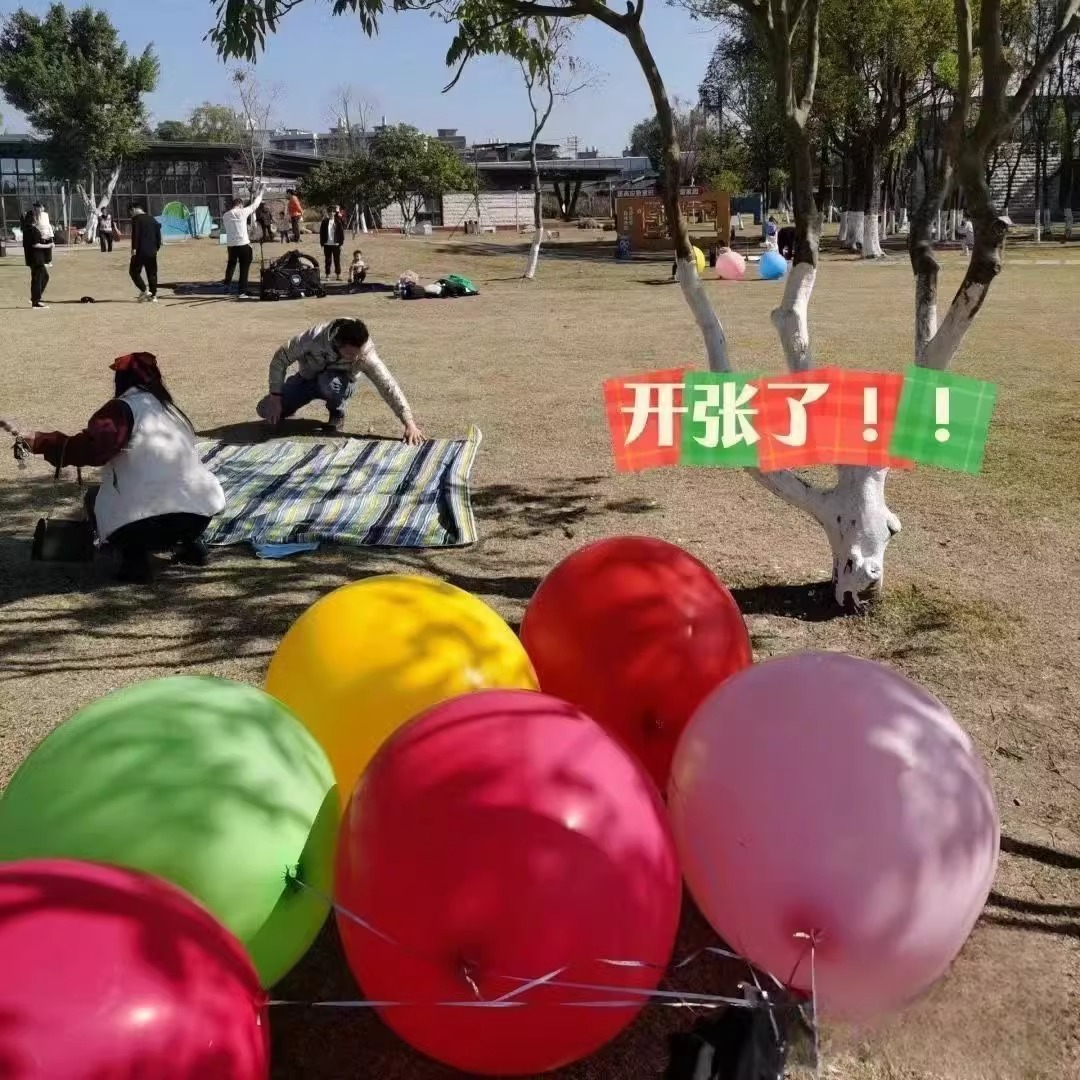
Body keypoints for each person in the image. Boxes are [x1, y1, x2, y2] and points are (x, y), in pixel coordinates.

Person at [20, 352, 225, 583]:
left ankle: (135, 561)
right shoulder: (171, 410)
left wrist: (42, 442)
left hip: (145, 523)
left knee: (96, 497)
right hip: (198, 516)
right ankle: (193, 545)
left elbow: (92, 449)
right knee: (173, 490)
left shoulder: (123, 409)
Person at [256, 318, 425, 441]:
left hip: (337, 384)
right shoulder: (312, 338)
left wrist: (409, 423)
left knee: (328, 382)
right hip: (306, 379)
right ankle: (290, 407)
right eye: (350, 354)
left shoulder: (366, 354)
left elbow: (387, 384)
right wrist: (275, 397)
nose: (356, 358)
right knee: (264, 409)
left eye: (358, 353)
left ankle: (337, 413)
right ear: (337, 343)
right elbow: (280, 359)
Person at [222, 184, 266, 300]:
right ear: (240, 205)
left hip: (231, 245)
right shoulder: (242, 212)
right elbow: (255, 205)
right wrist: (261, 192)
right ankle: (242, 291)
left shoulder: (225, 215)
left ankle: (226, 286)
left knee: (231, 265)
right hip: (243, 244)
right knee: (244, 267)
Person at [128, 202, 162, 302]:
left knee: (133, 271)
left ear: (134, 209)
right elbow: (158, 234)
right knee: (152, 273)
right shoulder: (152, 219)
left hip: (139, 251)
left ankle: (144, 290)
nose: (131, 214)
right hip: (152, 251)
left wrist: (134, 248)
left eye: (131, 212)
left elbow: (136, 234)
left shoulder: (136, 219)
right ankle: (153, 296)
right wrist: (156, 247)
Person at [22, 204, 53, 309]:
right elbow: (35, 244)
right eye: (36, 217)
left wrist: (43, 238)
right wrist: (48, 245)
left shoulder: (27, 230)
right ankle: (36, 301)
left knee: (43, 277)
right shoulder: (33, 230)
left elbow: (33, 241)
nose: (37, 218)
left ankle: (35, 297)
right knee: (39, 278)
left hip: (32, 258)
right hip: (36, 259)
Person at [320, 205, 345, 280]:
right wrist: (322, 243)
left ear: (334, 213)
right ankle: (327, 275)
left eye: (333, 212)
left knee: (337, 260)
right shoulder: (324, 222)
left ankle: (338, 275)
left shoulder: (338, 221)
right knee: (328, 260)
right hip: (327, 244)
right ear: (328, 213)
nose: (331, 213)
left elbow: (341, 233)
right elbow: (322, 233)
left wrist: (341, 244)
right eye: (330, 212)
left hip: (336, 244)